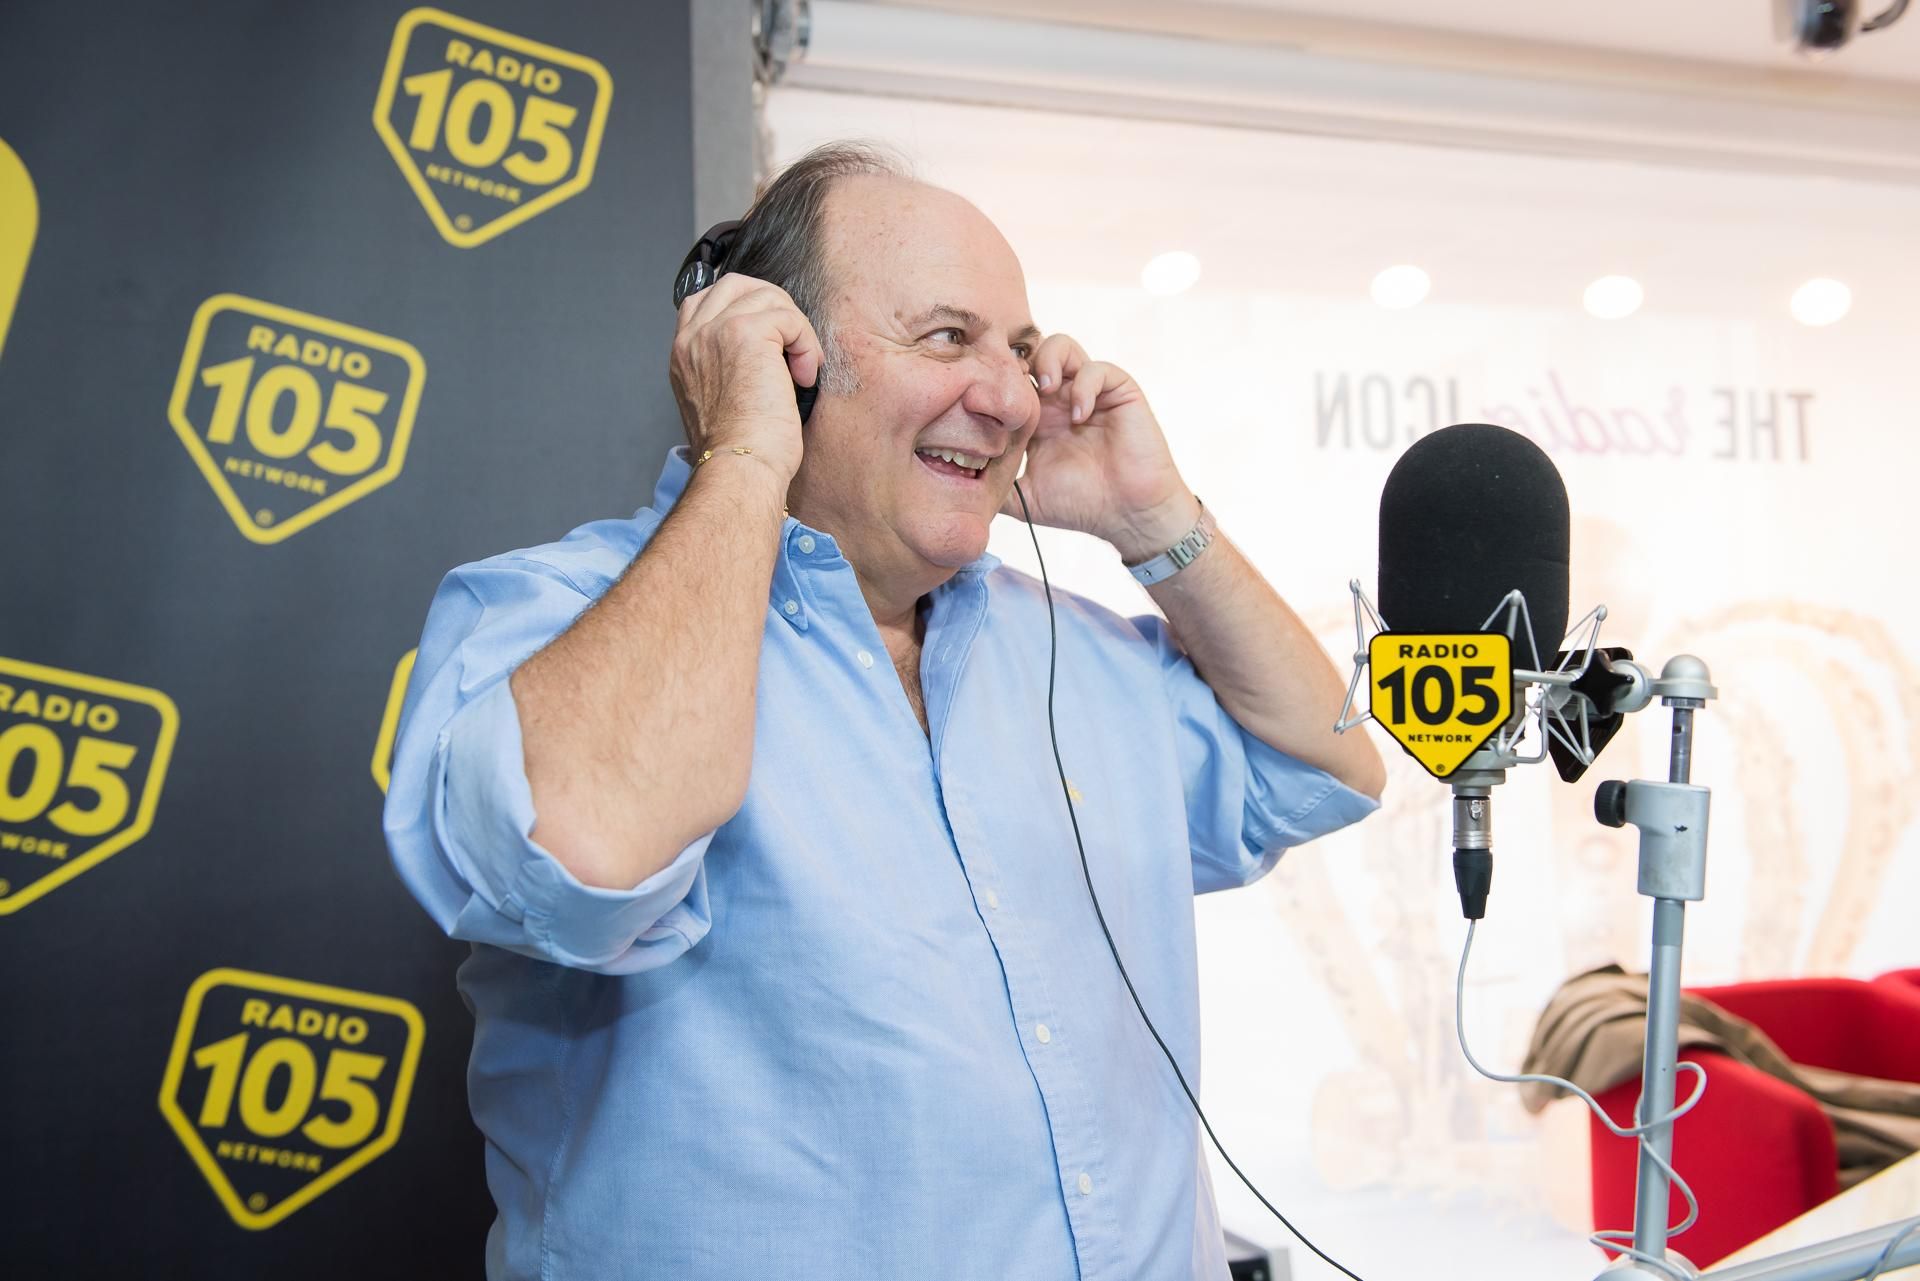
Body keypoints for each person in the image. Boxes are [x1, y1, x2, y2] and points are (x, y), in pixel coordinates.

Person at [383, 140, 1385, 1281]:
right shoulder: (548, 614)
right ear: (784, 358)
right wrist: (744, 454)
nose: (1010, 397)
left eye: (1019, 350)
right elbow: (579, 855)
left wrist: (1155, 520)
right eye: (948, 337)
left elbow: (1327, 766)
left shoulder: (1073, 651)